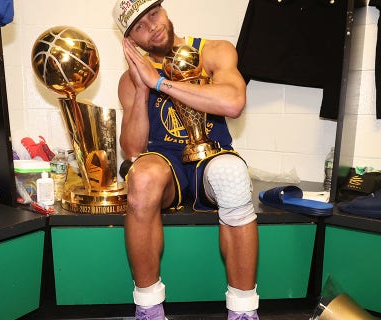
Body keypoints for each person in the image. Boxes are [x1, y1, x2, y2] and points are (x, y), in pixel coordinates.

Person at [112, 1, 259, 319]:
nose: (150, 26)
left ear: (164, 11)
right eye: (139, 26)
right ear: (131, 40)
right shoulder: (130, 80)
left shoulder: (214, 52)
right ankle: (149, 308)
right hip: (167, 164)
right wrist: (141, 89)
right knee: (140, 176)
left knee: (232, 175)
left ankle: (243, 311)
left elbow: (233, 103)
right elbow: (132, 150)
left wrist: (160, 83)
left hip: (212, 154)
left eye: (153, 14)